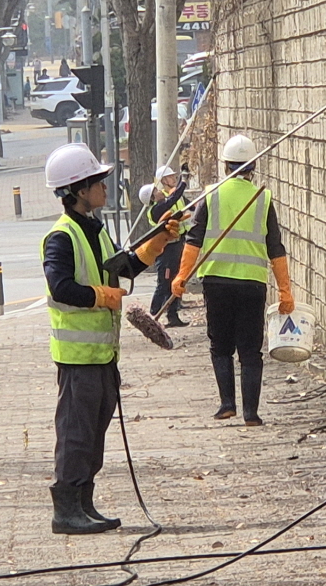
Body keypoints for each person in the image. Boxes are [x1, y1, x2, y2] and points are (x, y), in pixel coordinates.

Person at [41, 143, 182, 534]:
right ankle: (65, 509)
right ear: (79, 189)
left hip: (102, 355)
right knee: (76, 433)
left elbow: (122, 266)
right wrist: (100, 296)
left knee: (94, 431)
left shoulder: (95, 230)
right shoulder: (62, 237)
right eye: (99, 182)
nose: (106, 187)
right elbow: (60, 287)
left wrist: (158, 242)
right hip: (77, 357)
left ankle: (84, 502)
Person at [171, 134, 295, 426]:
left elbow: (193, 239)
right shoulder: (262, 198)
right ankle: (251, 413)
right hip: (252, 284)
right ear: (253, 166)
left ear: (226, 165)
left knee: (220, 346)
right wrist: (285, 291)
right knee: (251, 350)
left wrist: (181, 276)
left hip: (217, 283)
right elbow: (275, 247)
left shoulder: (211, 194)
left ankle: (227, 404)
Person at [143, 166, 190, 328]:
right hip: (166, 251)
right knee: (164, 282)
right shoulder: (157, 209)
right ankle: (153, 313)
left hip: (176, 246)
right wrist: (184, 181)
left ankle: (172, 314)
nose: (158, 192)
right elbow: (174, 199)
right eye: (155, 191)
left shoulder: (165, 201)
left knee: (176, 279)